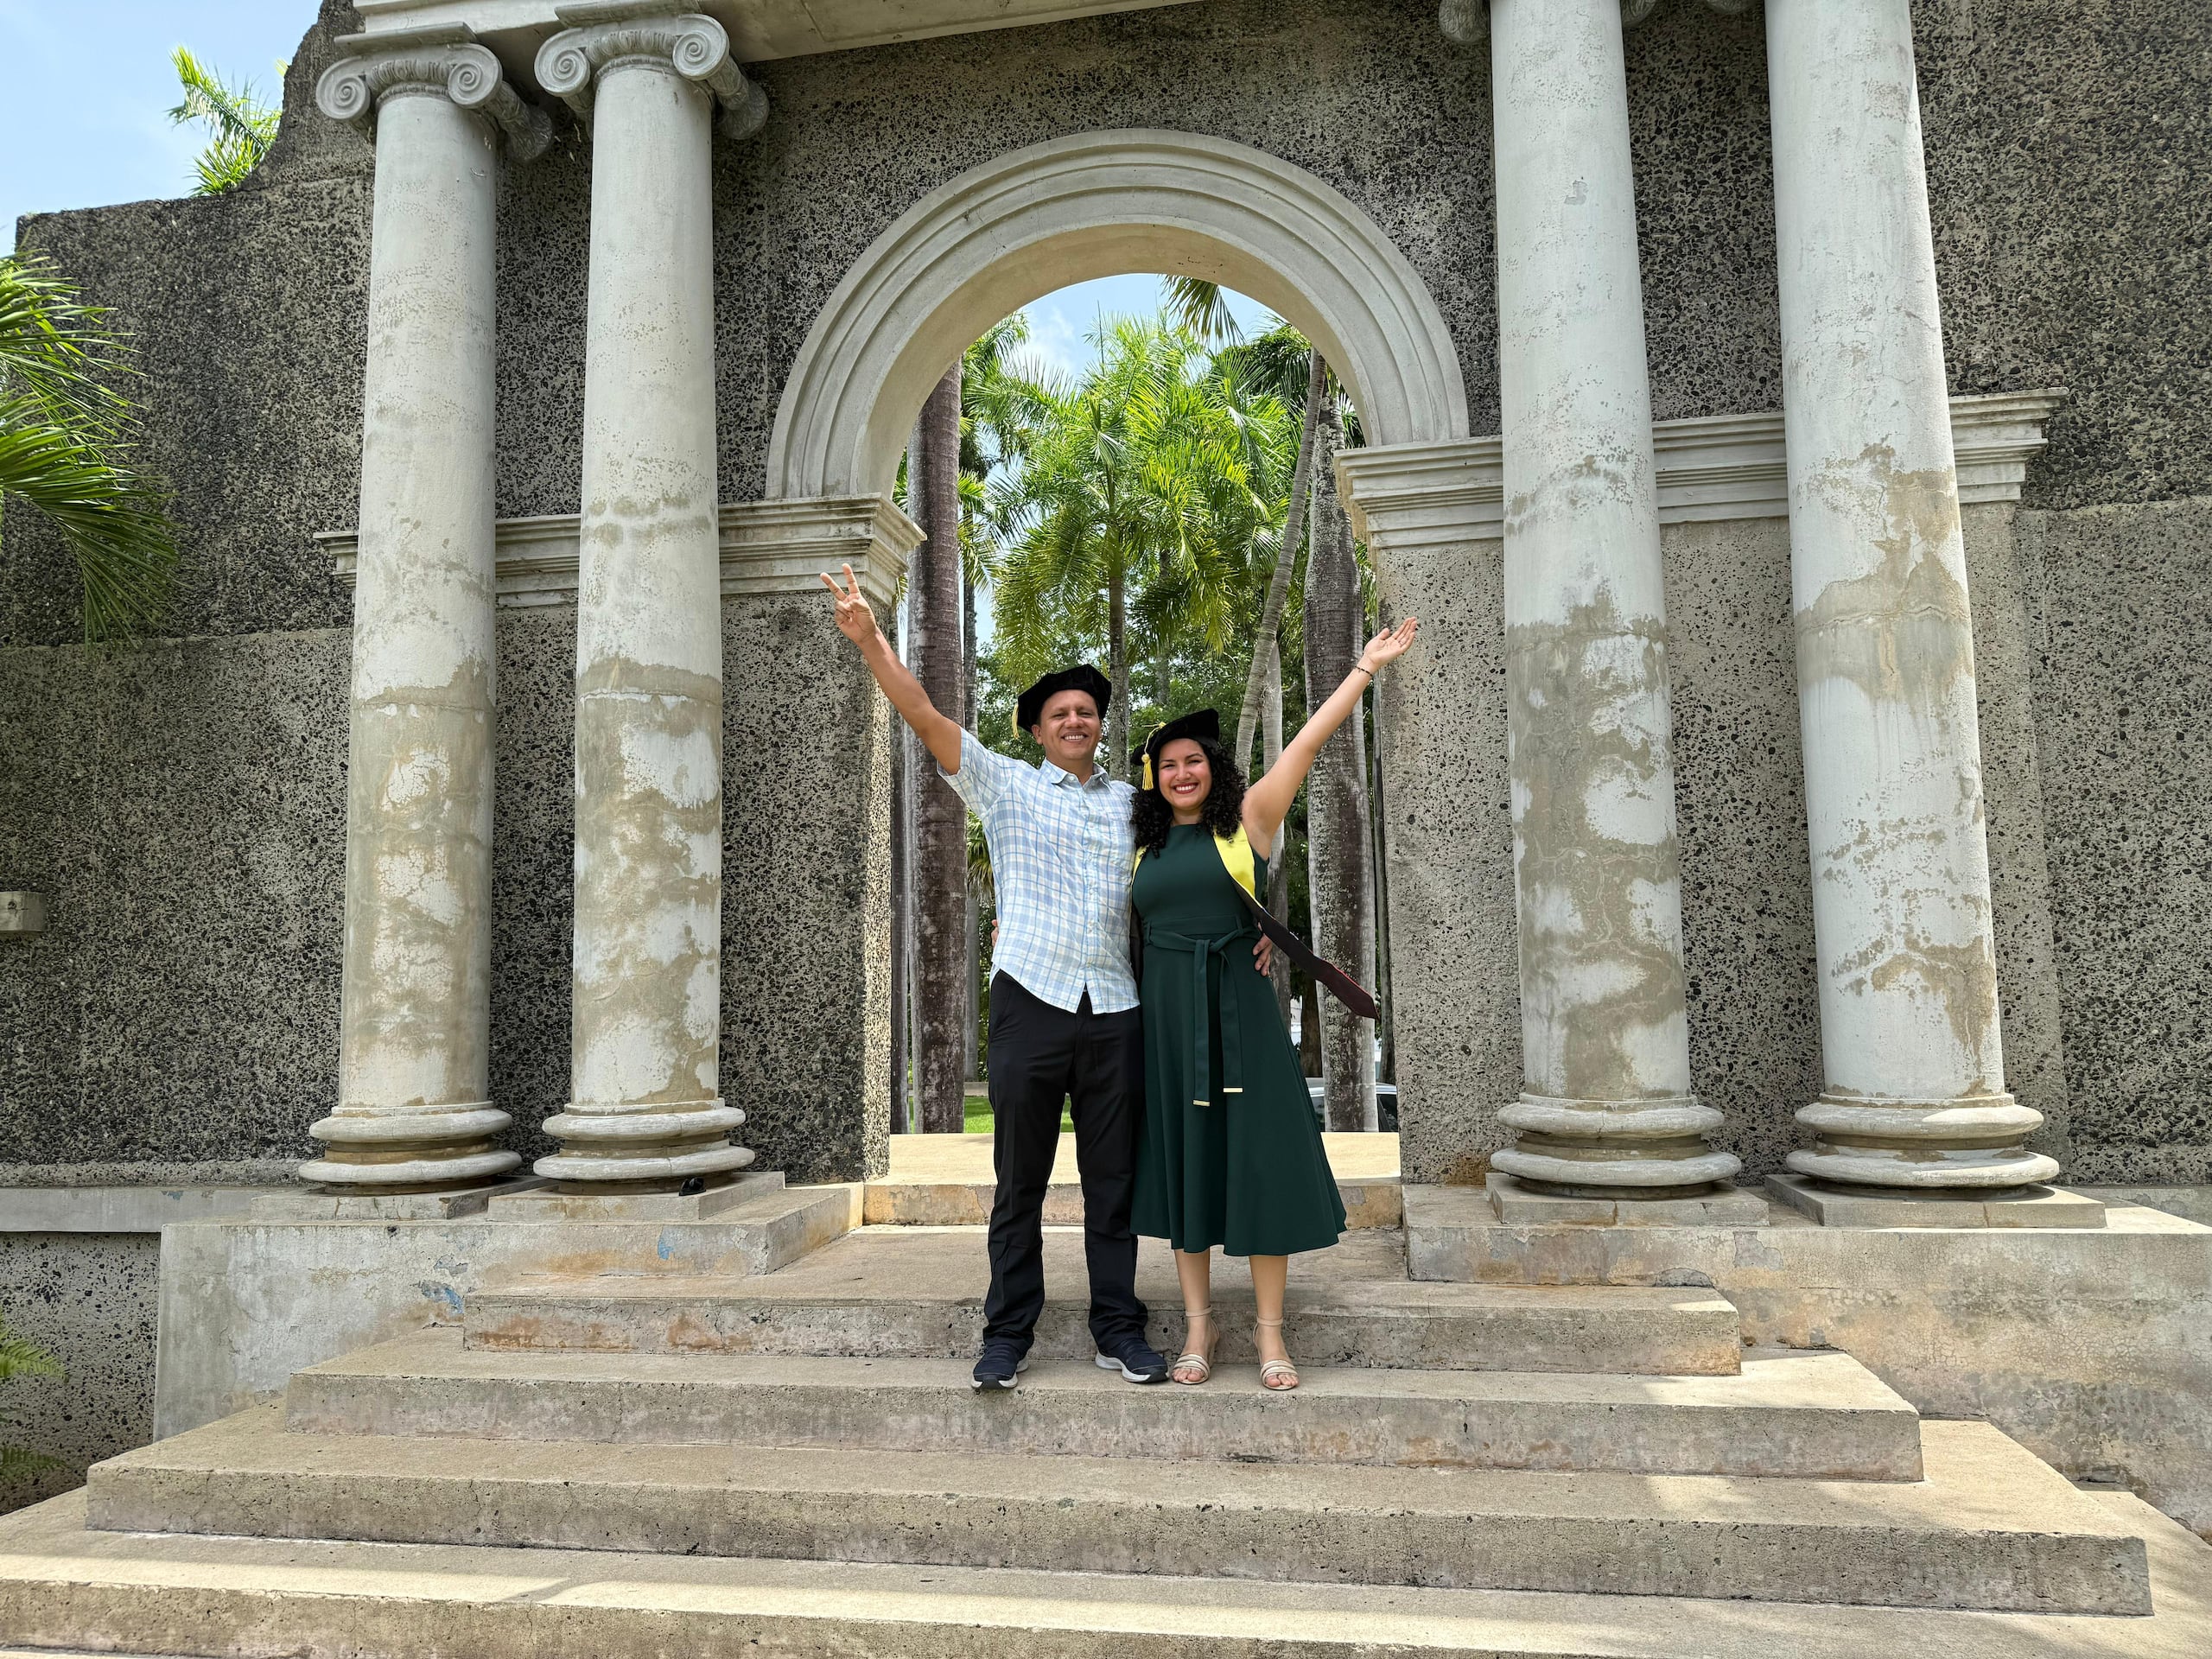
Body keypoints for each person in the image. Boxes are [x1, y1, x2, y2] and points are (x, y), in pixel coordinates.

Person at [821, 564, 1263, 1391]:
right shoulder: (1005, 786)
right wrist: (870, 637)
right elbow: (921, 711)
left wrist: (1254, 935)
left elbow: (1209, 861)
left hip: (1117, 1010)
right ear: (1035, 729)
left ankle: (1118, 1329)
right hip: (1030, 998)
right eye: (1060, 712)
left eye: (1087, 712)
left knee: (1114, 1187)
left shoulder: (1140, 807)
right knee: (1017, 1182)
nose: (1075, 720)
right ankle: (1006, 1333)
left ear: (1100, 728)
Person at [1128, 615, 1419, 1391]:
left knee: (1254, 1162)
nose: (1181, 773)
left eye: (1193, 762)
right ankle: (1198, 1328)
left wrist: (1363, 669)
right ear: (1153, 777)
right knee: (1187, 1166)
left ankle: (1269, 1334)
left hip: (1241, 1017)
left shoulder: (1248, 820)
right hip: (1167, 1022)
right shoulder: (1138, 847)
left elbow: (1305, 747)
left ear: (1213, 769)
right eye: (1167, 765)